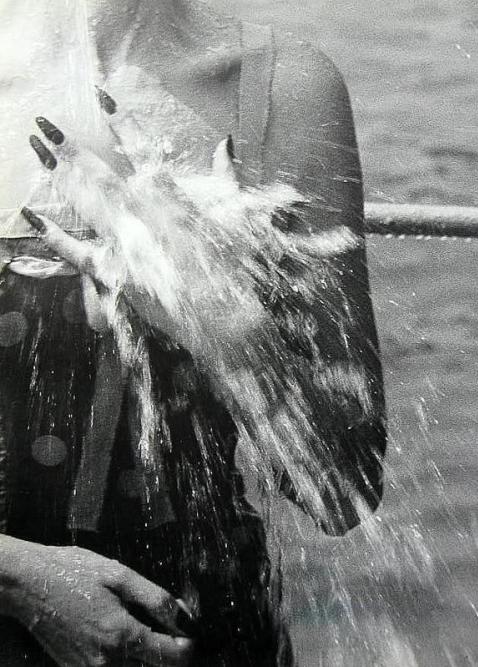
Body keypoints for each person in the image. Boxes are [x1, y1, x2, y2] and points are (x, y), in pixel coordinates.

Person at [0, 1, 386, 665]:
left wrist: (215, 312)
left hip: (196, 629)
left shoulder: (281, 88)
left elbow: (342, 489)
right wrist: (17, 574)